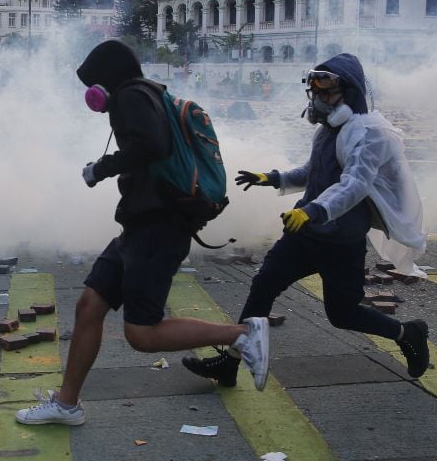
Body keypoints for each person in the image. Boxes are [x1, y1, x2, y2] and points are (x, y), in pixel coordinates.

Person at [14, 40, 270, 427]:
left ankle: (242, 335)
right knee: (89, 305)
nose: (92, 96)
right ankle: (67, 405)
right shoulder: (147, 93)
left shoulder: (131, 95)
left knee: (142, 333)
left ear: (108, 79)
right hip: (138, 227)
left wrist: (101, 168)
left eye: (93, 85)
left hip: (158, 228)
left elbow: (152, 144)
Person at [183, 53, 430, 386]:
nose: (320, 101)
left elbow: (354, 184)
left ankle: (407, 333)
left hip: (341, 241)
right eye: (316, 94)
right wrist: (273, 178)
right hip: (305, 232)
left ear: (350, 94)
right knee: (263, 285)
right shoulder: (329, 130)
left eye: (328, 94)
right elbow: (314, 172)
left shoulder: (370, 135)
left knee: (342, 315)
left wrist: (313, 210)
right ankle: (231, 363)